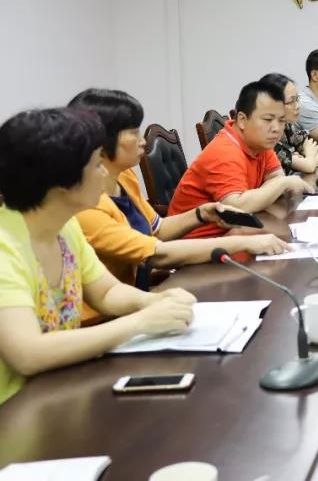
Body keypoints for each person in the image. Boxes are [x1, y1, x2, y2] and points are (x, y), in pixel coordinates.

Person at [0, 108, 196, 406]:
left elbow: (105, 292)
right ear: (62, 181)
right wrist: (140, 322)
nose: (105, 173)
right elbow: (28, 353)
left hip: (59, 390)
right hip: (15, 409)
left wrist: (153, 302)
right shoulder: (6, 246)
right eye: (96, 165)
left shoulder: (65, 226)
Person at [68, 89, 290, 296]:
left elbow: (158, 230)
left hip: (134, 291)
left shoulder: (124, 176)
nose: (142, 141)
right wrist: (245, 243)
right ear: (101, 140)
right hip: (113, 305)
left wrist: (201, 214)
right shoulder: (85, 205)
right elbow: (157, 254)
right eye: (134, 133)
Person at [168, 81, 312, 237]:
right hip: (197, 242)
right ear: (242, 120)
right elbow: (236, 207)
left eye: (281, 120)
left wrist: (271, 188)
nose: (276, 128)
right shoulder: (224, 151)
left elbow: (275, 177)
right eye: (267, 120)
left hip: (232, 232)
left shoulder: (260, 142)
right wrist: (283, 184)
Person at [259, 73, 318, 174]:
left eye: (297, 99)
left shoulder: (287, 126)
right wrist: (308, 156)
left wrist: (306, 160)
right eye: (291, 101)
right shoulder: (267, 138)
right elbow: (308, 167)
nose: (297, 106)